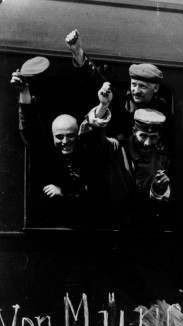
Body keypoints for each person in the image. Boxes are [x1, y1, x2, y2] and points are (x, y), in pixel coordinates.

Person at [12, 69, 120, 227]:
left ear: (77, 135)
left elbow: (92, 194)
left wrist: (103, 105)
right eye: (59, 136)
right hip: (50, 228)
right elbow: (28, 124)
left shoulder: (87, 152)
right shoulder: (46, 154)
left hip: (86, 227)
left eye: (70, 135)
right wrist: (24, 91)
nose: (65, 141)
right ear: (52, 136)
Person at [65, 29, 171, 141]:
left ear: (156, 88)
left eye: (143, 86)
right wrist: (78, 53)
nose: (136, 90)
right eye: (134, 84)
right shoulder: (123, 97)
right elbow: (97, 78)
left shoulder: (162, 106)